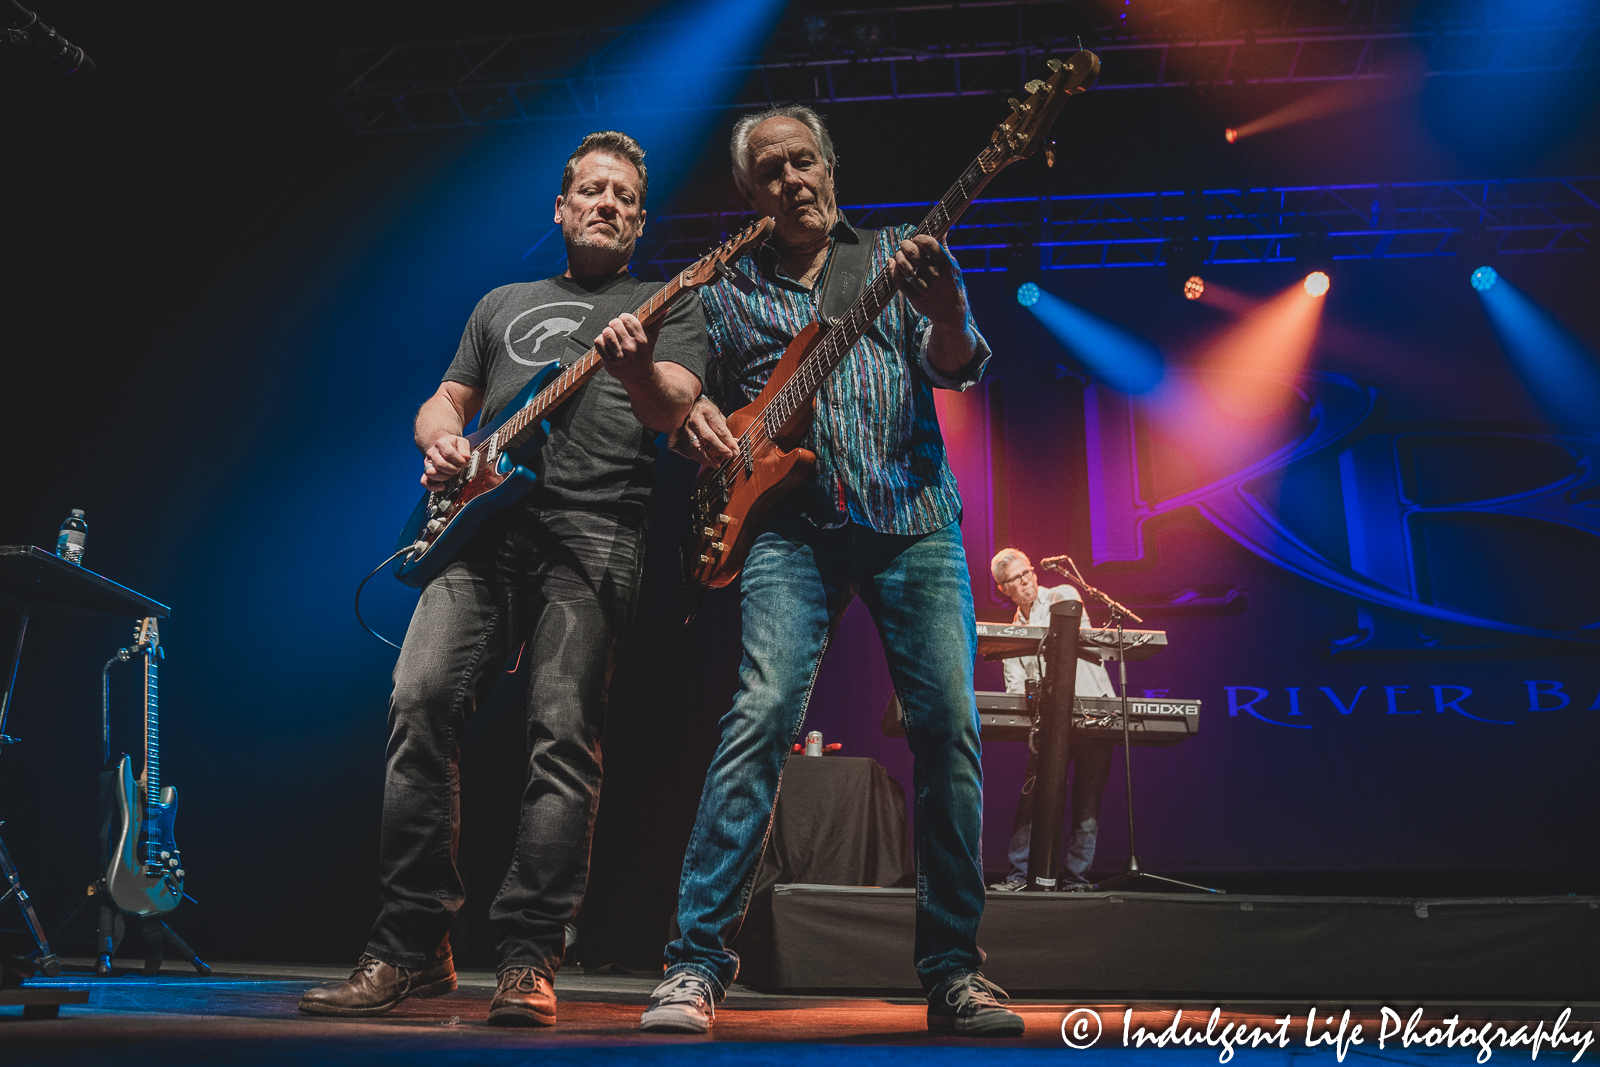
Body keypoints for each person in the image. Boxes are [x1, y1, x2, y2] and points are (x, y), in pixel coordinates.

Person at [298, 131, 705, 1027]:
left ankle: (527, 956)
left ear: (640, 220)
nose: (606, 203)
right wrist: (440, 436)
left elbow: (675, 405)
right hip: (481, 528)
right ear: (560, 208)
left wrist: (635, 363)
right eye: (591, 190)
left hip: (595, 532)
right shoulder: (503, 302)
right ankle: (412, 947)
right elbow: (447, 398)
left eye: (624, 197)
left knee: (563, 736)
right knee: (418, 698)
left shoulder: (665, 301)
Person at [638, 105, 1023, 1038]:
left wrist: (950, 314)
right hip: (789, 527)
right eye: (769, 172)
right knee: (761, 714)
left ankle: (954, 972)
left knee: (949, 728)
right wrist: (696, 420)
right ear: (750, 193)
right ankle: (693, 968)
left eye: (802, 162)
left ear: (829, 165)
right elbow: (684, 390)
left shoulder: (894, 255)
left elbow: (958, 367)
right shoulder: (725, 288)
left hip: (912, 516)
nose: (791, 182)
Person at [987, 548, 1117, 892]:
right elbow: (1015, 684)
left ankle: (1077, 877)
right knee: (1031, 799)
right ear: (1003, 588)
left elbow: (1064, 632)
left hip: (1093, 713)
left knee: (1087, 800)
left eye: (1026, 572)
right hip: (1049, 722)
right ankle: (1019, 876)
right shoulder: (1012, 631)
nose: (1025, 580)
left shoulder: (1062, 594)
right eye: (1015, 578)